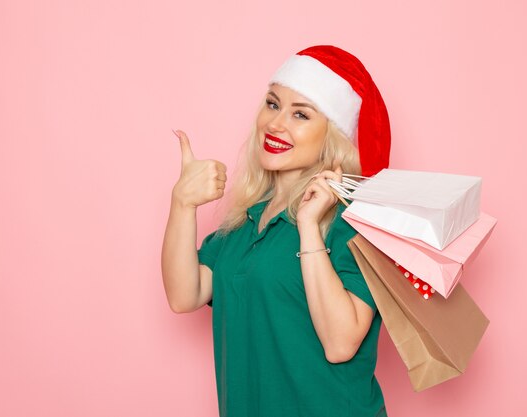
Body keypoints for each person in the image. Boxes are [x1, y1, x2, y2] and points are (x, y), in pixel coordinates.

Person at [162, 45, 391, 417]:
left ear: (332, 137)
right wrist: (182, 204)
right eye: (272, 104)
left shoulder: (354, 224)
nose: (276, 123)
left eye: (300, 114)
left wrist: (308, 227)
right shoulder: (245, 221)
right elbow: (184, 295)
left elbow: (341, 343)